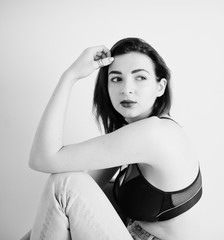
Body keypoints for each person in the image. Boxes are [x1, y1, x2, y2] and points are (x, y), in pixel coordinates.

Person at [23, 38, 202, 240]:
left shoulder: (154, 133)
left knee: (64, 183)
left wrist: (69, 76)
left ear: (160, 87)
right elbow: (80, 191)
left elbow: (44, 159)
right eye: (116, 79)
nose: (127, 89)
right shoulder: (134, 131)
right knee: (81, 186)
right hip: (130, 233)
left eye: (140, 78)